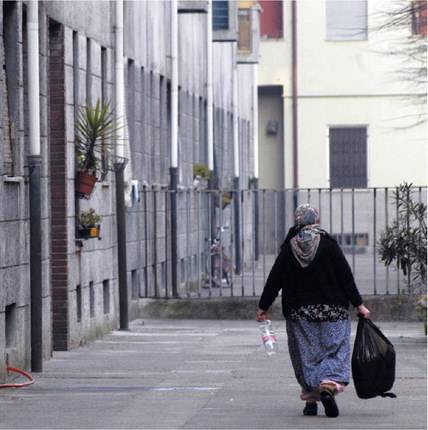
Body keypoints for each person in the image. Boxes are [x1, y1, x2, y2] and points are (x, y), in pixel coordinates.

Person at [256, 204, 370, 418]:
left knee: (306, 356)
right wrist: (359, 305)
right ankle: (327, 386)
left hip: (300, 314)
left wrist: (263, 307)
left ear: (297, 220)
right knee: (335, 350)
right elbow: (346, 277)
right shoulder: (329, 244)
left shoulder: (289, 247)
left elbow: (274, 280)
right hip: (333, 312)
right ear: (316, 220)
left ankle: (311, 400)